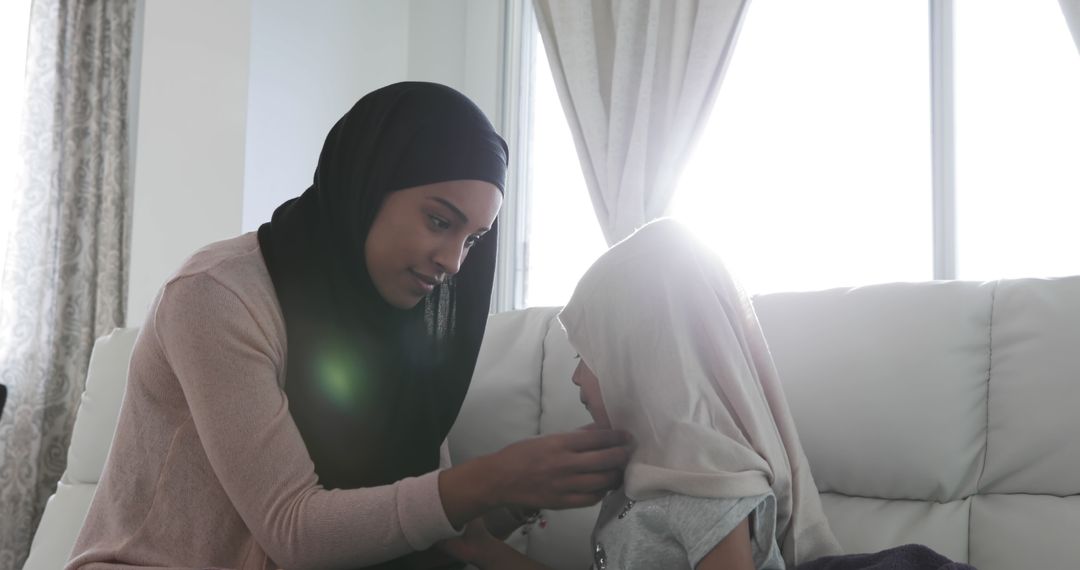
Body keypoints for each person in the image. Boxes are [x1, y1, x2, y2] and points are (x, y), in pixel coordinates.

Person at [66, 82, 631, 570]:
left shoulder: (401, 327)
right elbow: (294, 529)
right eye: (439, 221)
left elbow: (422, 525)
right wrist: (489, 479)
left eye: (473, 240)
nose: (454, 262)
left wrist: (533, 486)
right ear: (367, 181)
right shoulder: (218, 295)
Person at [439, 218, 843, 569]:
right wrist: (485, 551)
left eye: (586, 357)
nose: (577, 377)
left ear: (644, 365)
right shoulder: (643, 478)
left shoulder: (711, 491)